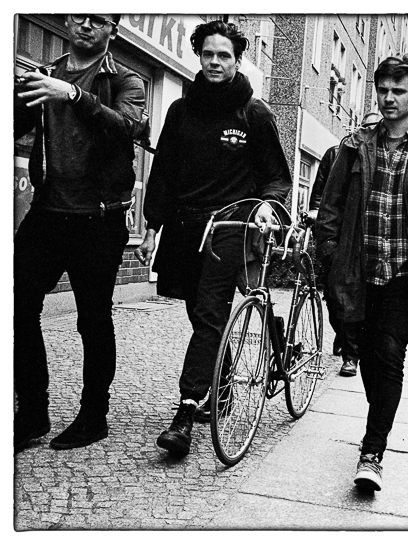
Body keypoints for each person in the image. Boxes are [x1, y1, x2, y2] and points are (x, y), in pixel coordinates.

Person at [134, 20, 292, 458]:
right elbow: (163, 173)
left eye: (224, 55)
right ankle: (219, 388)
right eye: (208, 54)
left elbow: (276, 176)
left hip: (230, 228)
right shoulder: (181, 111)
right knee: (200, 313)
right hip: (185, 229)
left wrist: (267, 205)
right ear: (198, 56)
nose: (215, 62)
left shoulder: (255, 114)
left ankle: (185, 412)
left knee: (208, 313)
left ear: (237, 60)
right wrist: (151, 227)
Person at [316, 55, 408, 492]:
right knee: (366, 354)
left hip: (406, 276)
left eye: (398, 90)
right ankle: (379, 417)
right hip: (356, 271)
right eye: (383, 89)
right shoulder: (354, 146)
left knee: (388, 354)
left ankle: (372, 452)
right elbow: (331, 206)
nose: (388, 98)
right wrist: (329, 255)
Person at [13, 14, 148, 453]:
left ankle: (94, 416)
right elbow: (14, 127)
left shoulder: (125, 81)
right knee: (18, 308)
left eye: (98, 19)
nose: (85, 25)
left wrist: (72, 94)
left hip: (99, 218)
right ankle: (32, 413)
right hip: (47, 212)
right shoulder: (44, 74)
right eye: (78, 15)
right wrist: (18, 97)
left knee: (92, 318)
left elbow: (126, 127)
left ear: (114, 30)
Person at [307, 112, 381, 377]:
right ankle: (342, 334)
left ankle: (351, 355)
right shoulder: (335, 153)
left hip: (364, 238)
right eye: (367, 127)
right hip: (338, 237)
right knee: (333, 298)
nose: (371, 132)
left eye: (376, 127)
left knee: (356, 299)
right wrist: (323, 235)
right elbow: (320, 194)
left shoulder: (381, 157)